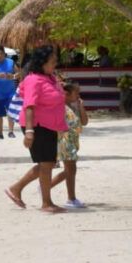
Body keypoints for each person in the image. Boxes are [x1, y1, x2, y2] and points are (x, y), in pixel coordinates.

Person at [4, 46, 68, 214]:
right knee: (46, 163)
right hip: (37, 125)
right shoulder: (34, 80)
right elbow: (29, 105)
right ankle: (45, 202)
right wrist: (30, 132)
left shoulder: (50, 78)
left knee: (47, 163)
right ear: (42, 62)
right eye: (52, 61)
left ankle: (17, 189)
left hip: (49, 126)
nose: (55, 63)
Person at [52, 81, 89, 209]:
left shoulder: (72, 107)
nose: (78, 95)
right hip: (65, 141)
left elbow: (84, 122)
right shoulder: (61, 107)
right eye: (76, 93)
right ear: (66, 94)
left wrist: (81, 107)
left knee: (70, 169)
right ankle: (71, 198)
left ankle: (47, 185)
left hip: (73, 141)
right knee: (70, 169)